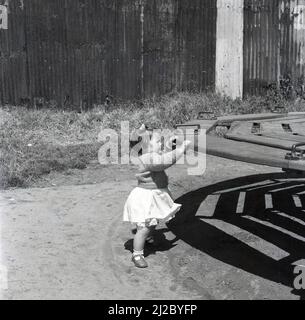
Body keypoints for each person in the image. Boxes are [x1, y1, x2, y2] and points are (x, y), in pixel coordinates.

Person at [123, 125, 191, 268]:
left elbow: (162, 154)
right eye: (158, 142)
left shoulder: (148, 155)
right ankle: (137, 254)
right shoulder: (147, 158)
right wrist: (180, 150)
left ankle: (147, 237)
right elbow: (164, 161)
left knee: (152, 222)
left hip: (152, 195)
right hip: (146, 197)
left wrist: (170, 144)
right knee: (144, 227)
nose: (161, 144)